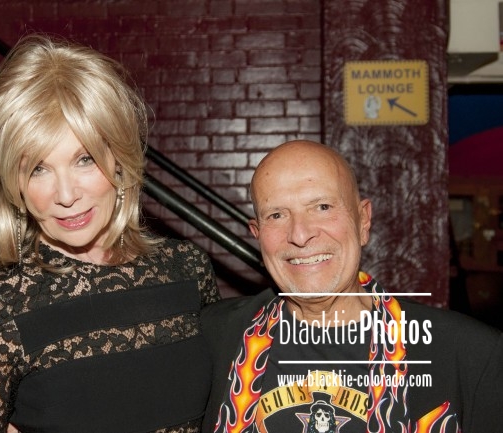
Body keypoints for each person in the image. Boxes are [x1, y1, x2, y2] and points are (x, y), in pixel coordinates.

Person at [0, 34, 220, 433]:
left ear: (120, 158)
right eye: (38, 168)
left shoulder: (188, 269)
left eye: (84, 159)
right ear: (13, 184)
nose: (66, 195)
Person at [201, 140, 502, 433]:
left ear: (363, 221)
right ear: (257, 233)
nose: (300, 235)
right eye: (276, 215)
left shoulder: (472, 354)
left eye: (322, 206)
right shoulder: (211, 337)